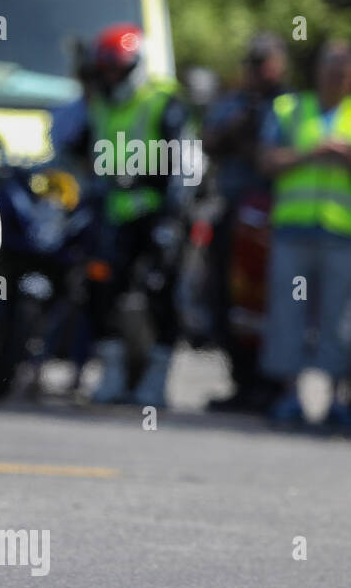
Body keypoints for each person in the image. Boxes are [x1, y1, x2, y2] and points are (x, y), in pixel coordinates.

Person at [65, 23, 191, 407]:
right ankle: (113, 375)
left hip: (153, 215)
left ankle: (156, 382)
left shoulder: (164, 101)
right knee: (102, 291)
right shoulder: (100, 102)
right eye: (106, 69)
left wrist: (172, 217)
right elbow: (80, 148)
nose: (110, 76)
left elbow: (184, 163)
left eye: (117, 68)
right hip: (110, 217)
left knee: (159, 293)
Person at [258, 40, 351, 427]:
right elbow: (266, 160)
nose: (335, 77)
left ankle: (337, 401)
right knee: (288, 314)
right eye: (330, 69)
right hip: (293, 233)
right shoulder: (290, 109)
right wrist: (311, 154)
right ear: (317, 71)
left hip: (342, 236)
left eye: (342, 71)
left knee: (339, 320)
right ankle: (289, 396)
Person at [200, 33, 289, 412]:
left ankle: (271, 387)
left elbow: (273, 156)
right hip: (232, 213)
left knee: (267, 304)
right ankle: (241, 382)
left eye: (264, 62)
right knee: (226, 299)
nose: (257, 71)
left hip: (273, 218)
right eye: (251, 64)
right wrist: (241, 125)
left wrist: (255, 143)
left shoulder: (291, 105)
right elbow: (210, 140)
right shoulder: (234, 102)